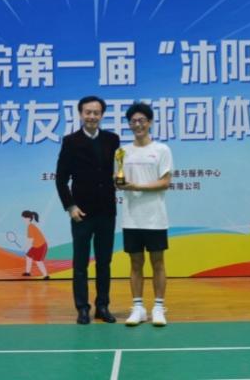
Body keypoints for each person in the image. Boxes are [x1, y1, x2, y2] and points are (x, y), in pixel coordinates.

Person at [55, 95, 121, 325]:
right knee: (80, 263)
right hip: (81, 213)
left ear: (102, 115)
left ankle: (102, 306)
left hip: (106, 211)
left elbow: (118, 170)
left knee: (104, 262)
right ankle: (82, 308)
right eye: (88, 112)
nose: (92, 116)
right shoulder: (70, 141)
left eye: (96, 113)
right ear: (81, 114)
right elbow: (61, 179)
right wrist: (70, 206)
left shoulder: (112, 139)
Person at [117, 102, 173, 328]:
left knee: (157, 262)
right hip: (131, 218)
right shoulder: (122, 152)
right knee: (135, 263)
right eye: (133, 121)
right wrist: (120, 184)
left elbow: (165, 182)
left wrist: (136, 186)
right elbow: (118, 179)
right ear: (129, 125)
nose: (138, 125)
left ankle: (158, 307)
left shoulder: (161, 150)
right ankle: (138, 308)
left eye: (142, 120)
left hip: (155, 218)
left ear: (149, 123)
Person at [22, 210, 49, 279]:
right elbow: (30, 240)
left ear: (28, 218)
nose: (23, 219)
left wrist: (25, 248)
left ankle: (46, 275)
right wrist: (26, 247)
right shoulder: (30, 226)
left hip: (41, 246)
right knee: (28, 256)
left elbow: (30, 240)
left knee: (38, 261)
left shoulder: (30, 227)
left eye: (24, 218)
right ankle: (27, 272)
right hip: (35, 245)